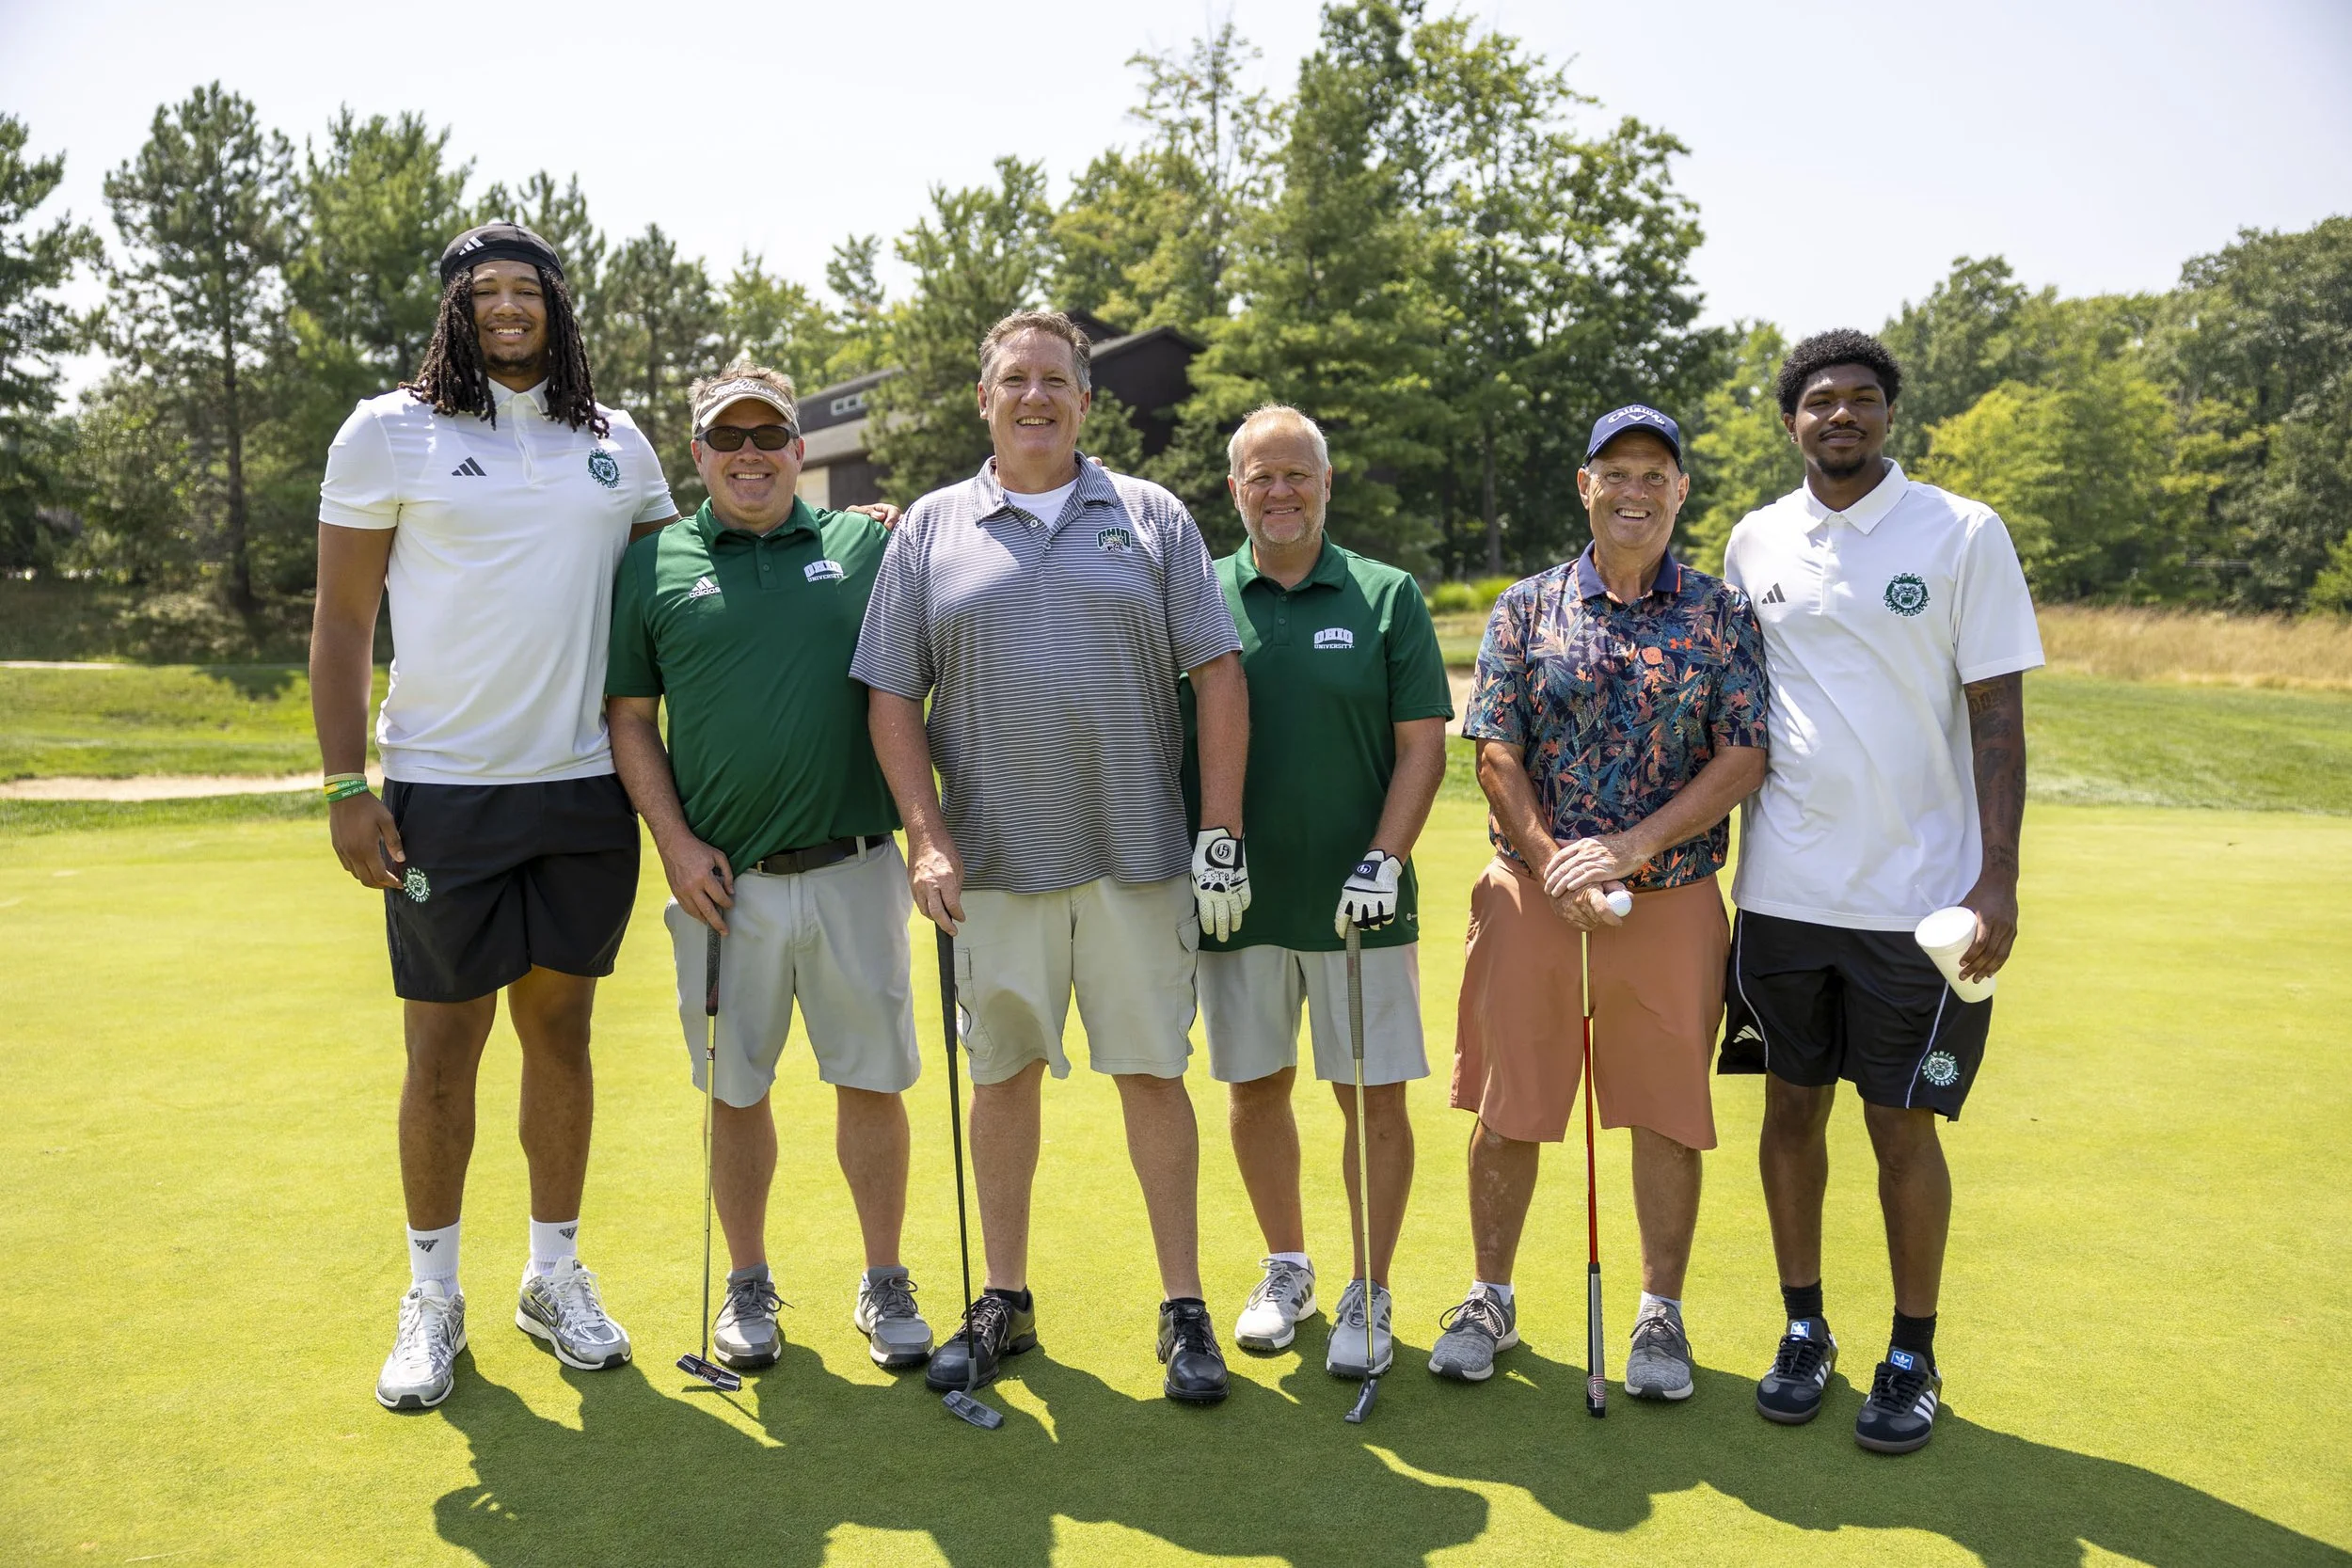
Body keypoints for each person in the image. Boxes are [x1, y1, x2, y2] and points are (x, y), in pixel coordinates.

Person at [851, 309, 1250, 1405]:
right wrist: (926, 837)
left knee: (1152, 1076)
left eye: (1056, 381)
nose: (1036, 397)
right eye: (1015, 380)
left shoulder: (1152, 515)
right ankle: (1006, 1298)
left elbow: (1218, 674)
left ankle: (1183, 1305)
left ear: (1085, 399)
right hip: (993, 865)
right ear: (985, 398)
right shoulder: (930, 526)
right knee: (1003, 1077)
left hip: (1138, 856)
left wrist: (1218, 829)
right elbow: (890, 693)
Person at [313, 222, 677, 1411]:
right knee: (441, 1050)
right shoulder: (388, 430)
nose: (509, 309)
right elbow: (343, 626)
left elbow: (680, 595)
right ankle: (433, 1295)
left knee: (560, 1037)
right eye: (487, 293)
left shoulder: (614, 440)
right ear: (453, 310)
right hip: (439, 796)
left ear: (561, 308)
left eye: (530, 291)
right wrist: (341, 784)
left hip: (582, 791)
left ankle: (553, 1274)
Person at [1721, 329, 2041, 1454]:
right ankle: (1803, 1327)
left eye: (1860, 399)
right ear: (1792, 420)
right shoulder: (1753, 537)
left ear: (1888, 418)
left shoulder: (1960, 532)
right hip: (1782, 892)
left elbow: (1997, 715)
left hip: (1920, 902)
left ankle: (1912, 1349)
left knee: (1900, 1125)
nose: (1839, 416)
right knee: (1789, 1110)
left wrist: (1997, 874)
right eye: (1819, 401)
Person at [606, 360, 932, 1375]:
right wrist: (671, 838)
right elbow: (629, 719)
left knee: (869, 1081)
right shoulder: (651, 566)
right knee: (736, 1089)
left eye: (769, 437)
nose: (750, 455)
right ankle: (747, 1284)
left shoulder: (864, 545)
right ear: (696, 454)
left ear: (800, 450)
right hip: (722, 884)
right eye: (727, 439)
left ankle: (884, 1280)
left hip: (854, 866)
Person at [1439, 404, 1768, 1400]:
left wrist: (1627, 848)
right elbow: (1494, 749)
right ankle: (1488, 1296)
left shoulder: (1718, 612)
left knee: (1667, 1113)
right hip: (1531, 898)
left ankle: (1658, 1315)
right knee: (1509, 1106)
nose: (1635, 489)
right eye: (1615, 471)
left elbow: (1743, 753)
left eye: (1654, 474)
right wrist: (1553, 864)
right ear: (1584, 485)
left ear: (1679, 491)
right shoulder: (1526, 606)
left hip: (1666, 900)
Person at [1186, 405, 1453, 1378]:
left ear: (1326, 483)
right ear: (1235, 489)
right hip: (1238, 898)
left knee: (1369, 1096)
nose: (1281, 491)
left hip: (1362, 905)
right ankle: (1287, 1265)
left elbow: (1423, 742)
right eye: (1261, 476)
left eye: (1297, 474)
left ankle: (1369, 1286)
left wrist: (1387, 854)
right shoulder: (1200, 593)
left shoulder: (1384, 595)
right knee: (1255, 1086)